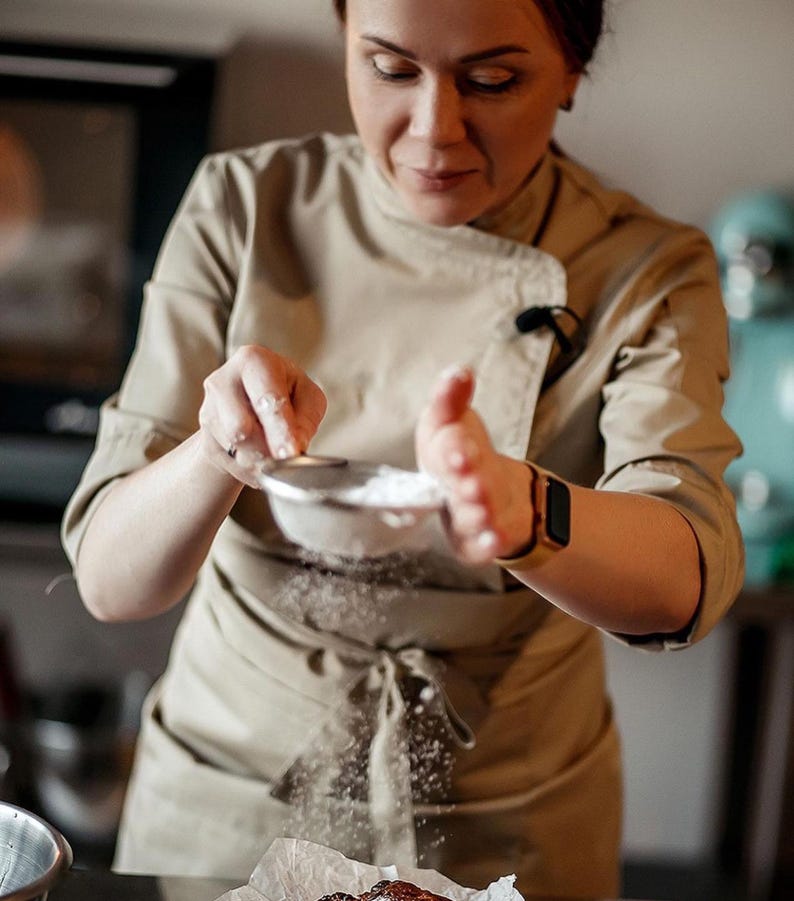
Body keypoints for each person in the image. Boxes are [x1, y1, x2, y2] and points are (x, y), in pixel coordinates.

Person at [61, 0, 744, 896]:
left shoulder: (648, 268)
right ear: (344, 38)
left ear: (573, 71)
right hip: (232, 796)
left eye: (491, 80)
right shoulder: (245, 206)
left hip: (505, 817)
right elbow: (112, 582)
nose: (434, 129)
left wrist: (524, 512)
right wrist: (215, 453)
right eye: (389, 69)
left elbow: (685, 576)